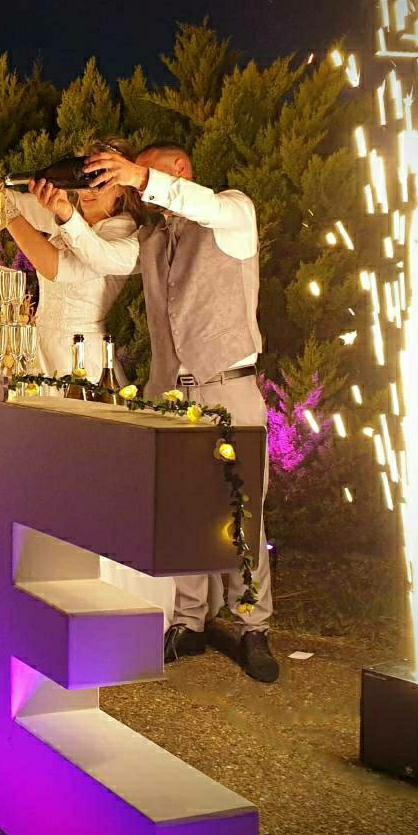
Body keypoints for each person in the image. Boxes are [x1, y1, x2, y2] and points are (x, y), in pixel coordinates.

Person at [81, 141, 278, 684]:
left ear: (179, 171)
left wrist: (139, 176)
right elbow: (101, 259)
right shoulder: (150, 239)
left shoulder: (233, 213)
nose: (138, 185)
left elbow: (205, 206)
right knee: (182, 510)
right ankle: (190, 621)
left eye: (146, 174)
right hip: (170, 394)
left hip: (229, 389)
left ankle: (253, 625)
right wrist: (65, 219)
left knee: (242, 513)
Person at [0, 155, 141, 378]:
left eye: (99, 181)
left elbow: (58, 268)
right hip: (38, 348)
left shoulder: (121, 230)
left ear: (121, 187)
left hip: (81, 354)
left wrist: (3, 208)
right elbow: (12, 200)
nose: (89, 189)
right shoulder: (68, 214)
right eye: (84, 179)